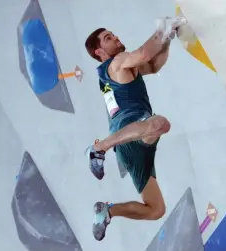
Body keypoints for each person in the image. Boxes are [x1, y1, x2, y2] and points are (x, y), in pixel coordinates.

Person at [84, 16, 187, 241]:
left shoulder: (116, 70)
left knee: (156, 209)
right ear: (99, 53)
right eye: (108, 38)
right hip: (130, 127)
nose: (116, 38)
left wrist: (167, 38)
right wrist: (161, 30)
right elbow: (144, 54)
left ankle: (108, 211)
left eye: (113, 34)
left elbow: (152, 64)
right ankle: (98, 148)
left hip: (132, 143)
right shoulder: (116, 62)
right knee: (160, 124)